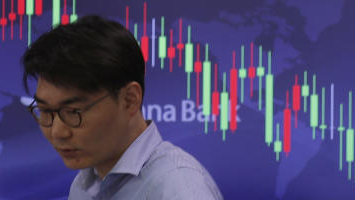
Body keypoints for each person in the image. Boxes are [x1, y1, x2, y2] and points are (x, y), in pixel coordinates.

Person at [21, 15, 223, 199]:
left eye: (73, 112)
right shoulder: (84, 186)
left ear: (129, 100)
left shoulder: (177, 188)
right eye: (46, 111)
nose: (57, 132)